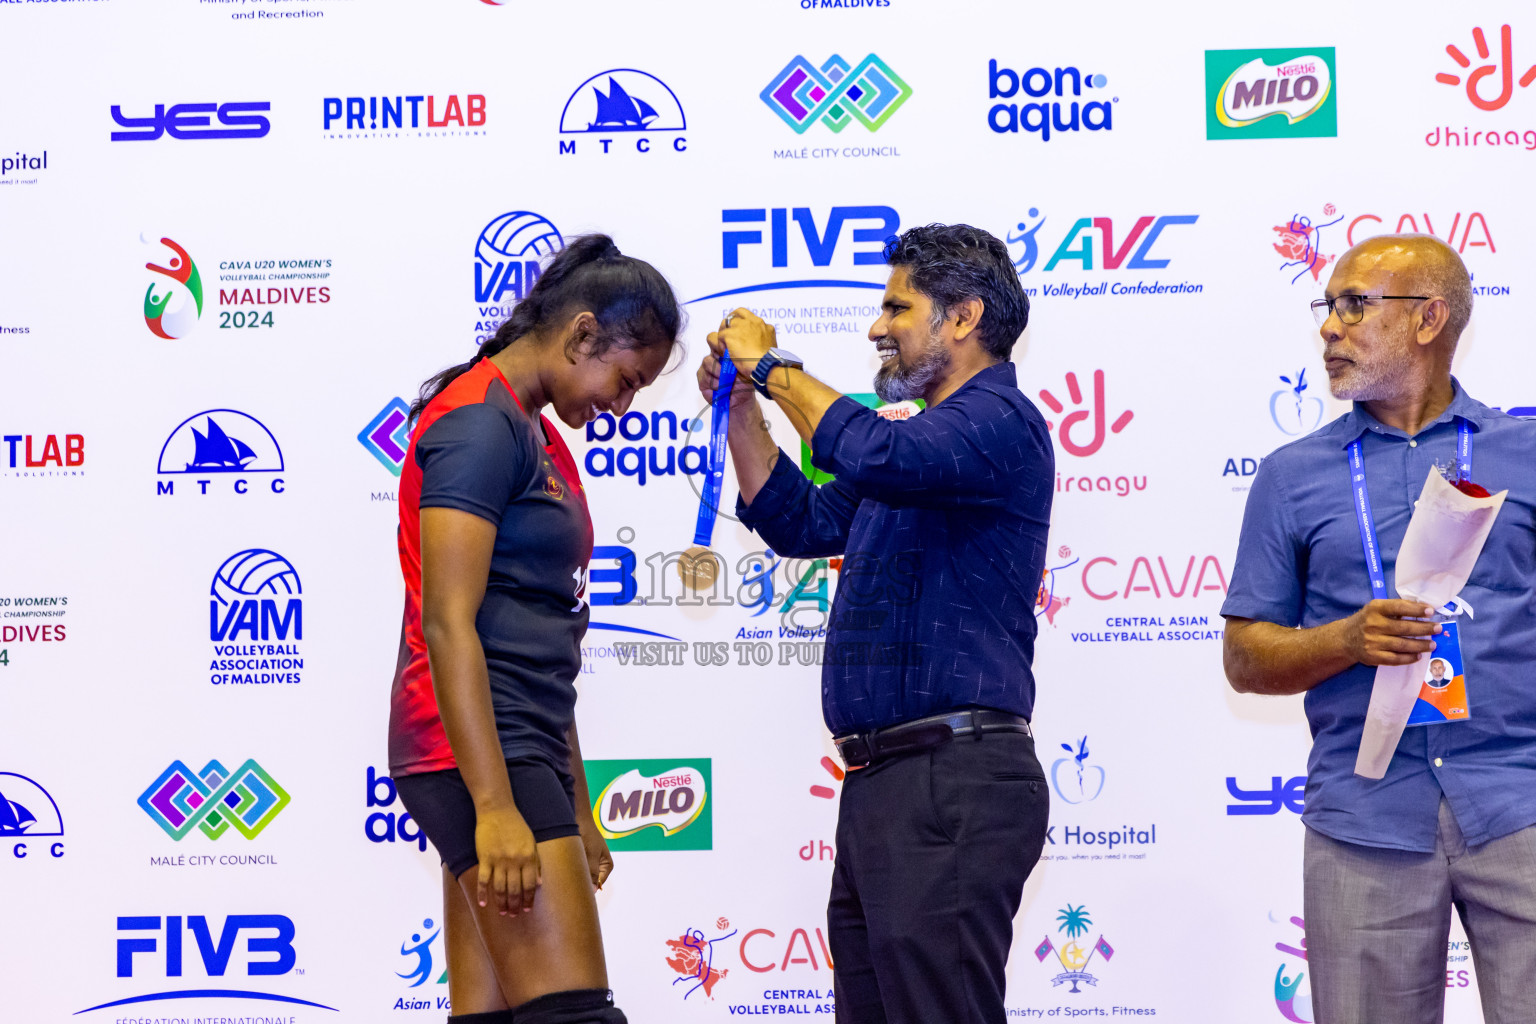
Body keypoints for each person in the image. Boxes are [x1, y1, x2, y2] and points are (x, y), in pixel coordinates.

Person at [698, 223, 1052, 1024]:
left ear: (962, 318)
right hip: (884, 787)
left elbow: (871, 455)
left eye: (898, 306)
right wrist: (745, 402)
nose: (876, 327)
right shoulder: (913, 444)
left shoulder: (999, 422)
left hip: (950, 779)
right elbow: (799, 522)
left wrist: (773, 364)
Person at [1223, 234, 1536, 1023]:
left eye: (1354, 305)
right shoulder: (1291, 476)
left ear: (1430, 319)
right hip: (1364, 819)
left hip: (1521, 803)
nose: (1329, 327)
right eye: (1327, 307)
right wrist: (1344, 641)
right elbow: (1245, 658)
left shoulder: (1524, 454)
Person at [388, 235, 681, 1024]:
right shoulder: (480, 426)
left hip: (515, 743)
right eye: (625, 380)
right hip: (479, 752)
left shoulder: (533, 431)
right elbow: (448, 624)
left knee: (493, 1020)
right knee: (572, 1019)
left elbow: (540, 638)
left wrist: (578, 805)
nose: (621, 407)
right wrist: (493, 805)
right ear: (582, 333)